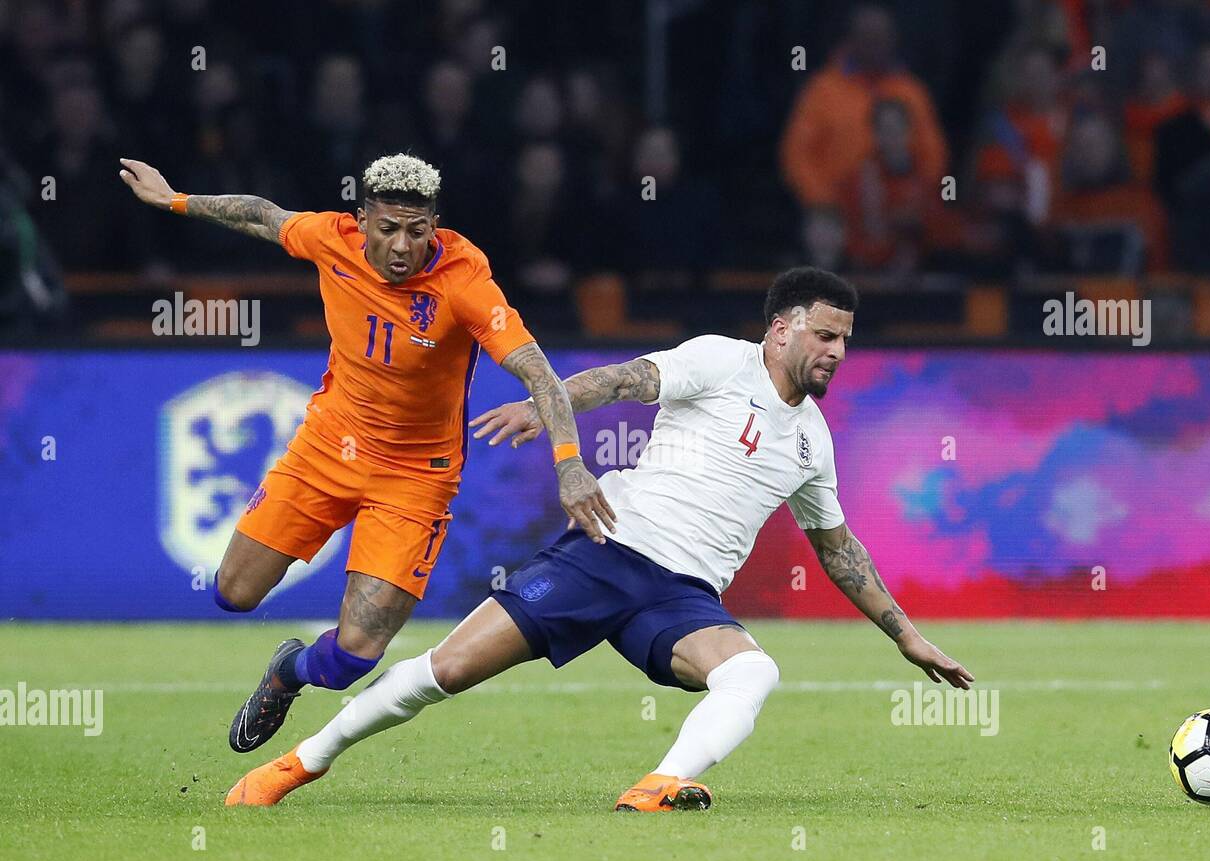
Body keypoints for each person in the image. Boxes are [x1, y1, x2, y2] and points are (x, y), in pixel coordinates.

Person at [224, 267, 973, 812]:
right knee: (442, 671)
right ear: (782, 329)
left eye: (846, 338)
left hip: (681, 601)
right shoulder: (720, 360)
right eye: (826, 334)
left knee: (752, 672)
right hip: (606, 552)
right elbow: (622, 380)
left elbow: (838, 549)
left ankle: (659, 785)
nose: (838, 351)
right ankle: (300, 762)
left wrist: (905, 634)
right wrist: (548, 409)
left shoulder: (814, 443)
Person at [118, 152, 612, 753]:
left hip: (414, 479)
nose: (402, 246)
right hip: (325, 449)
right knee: (233, 592)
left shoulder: (464, 281)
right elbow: (262, 216)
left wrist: (569, 464)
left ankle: (288, 673)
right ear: (363, 221)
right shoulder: (333, 240)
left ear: (434, 226)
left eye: (417, 230)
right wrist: (174, 200)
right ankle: (278, 644)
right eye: (388, 229)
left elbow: (538, 371)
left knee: (354, 656)